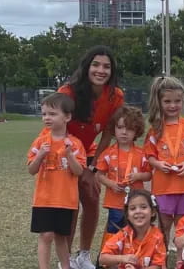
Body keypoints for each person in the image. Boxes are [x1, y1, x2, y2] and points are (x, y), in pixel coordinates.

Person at [54, 45, 124, 269]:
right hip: (64, 151)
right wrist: (75, 164)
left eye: (106, 66)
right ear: (86, 67)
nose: (101, 70)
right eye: (96, 64)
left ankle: (83, 255)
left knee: (92, 196)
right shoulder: (68, 92)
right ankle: (65, 260)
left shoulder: (115, 95)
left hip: (90, 151)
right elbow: (56, 129)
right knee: (70, 204)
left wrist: (93, 168)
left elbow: (108, 132)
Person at [144, 76, 184, 247]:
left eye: (177, 101)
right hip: (163, 187)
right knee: (163, 226)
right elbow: (149, 156)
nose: (173, 105)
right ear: (159, 102)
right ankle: (161, 259)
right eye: (167, 101)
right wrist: (158, 164)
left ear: (183, 101)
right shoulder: (155, 129)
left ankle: (182, 259)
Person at [27, 93, 87, 269]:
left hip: (66, 200)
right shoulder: (40, 142)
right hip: (44, 198)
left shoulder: (74, 144)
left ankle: (65, 266)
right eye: (44, 114)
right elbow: (31, 170)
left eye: (52, 114)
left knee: (61, 236)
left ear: (67, 117)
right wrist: (40, 156)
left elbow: (79, 171)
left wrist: (69, 156)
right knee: (45, 235)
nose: (47, 118)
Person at [96, 106, 151, 247]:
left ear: (137, 131)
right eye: (120, 127)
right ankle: (108, 258)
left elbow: (149, 174)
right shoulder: (108, 153)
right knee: (113, 229)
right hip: (115, 202)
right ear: (114, 128)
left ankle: (134, 255)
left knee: (135, 228)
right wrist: (111, 184)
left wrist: (138, 176)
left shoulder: (141, 153)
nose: (124, 132)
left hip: (135, 203)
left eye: (129, 128)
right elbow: (99, 174)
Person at [99, 189, 167, 269]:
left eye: (143, 207)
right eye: (132, 208)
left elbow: (157, 266)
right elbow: (102, 258)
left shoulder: (157, 237)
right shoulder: (124, 234)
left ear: (153, 212)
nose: (138, 211)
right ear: (127, 214)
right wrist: (123, 258)